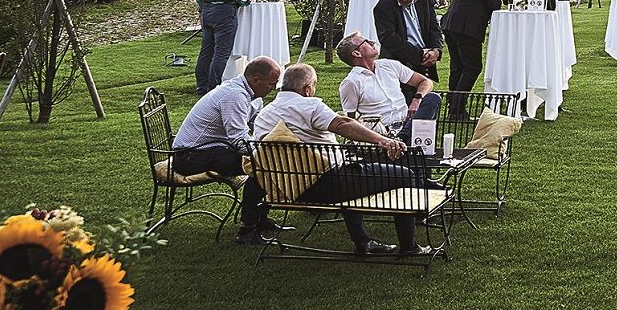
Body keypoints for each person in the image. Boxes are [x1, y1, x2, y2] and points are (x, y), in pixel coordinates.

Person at [253, 63, 421, 257]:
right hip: (327, 186)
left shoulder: (264, 113)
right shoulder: (310, 105)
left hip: (285, 187)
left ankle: (363, 242)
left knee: (353, 172)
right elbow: (343, 123)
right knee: (405, 175)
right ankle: (409, 247)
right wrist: (384, 141)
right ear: (307, 89)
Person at [171, 56, 284, 243]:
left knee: (262, 162)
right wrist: (266, 154)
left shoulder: (252, 96)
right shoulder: (235, 96)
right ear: (255, 80)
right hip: (190, 156)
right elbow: (239, 139)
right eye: (271, 84)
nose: (273, 88)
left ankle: (259, 219)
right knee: (260, 166)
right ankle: (248, 230)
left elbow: (255, 130)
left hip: (209, 149)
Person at [336, 31, 442, 136]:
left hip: (407, 124)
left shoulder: (388, 65)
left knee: (433, 98)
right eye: (366, 42)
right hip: (382, 133)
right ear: (356, 53)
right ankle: (403, 142)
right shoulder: (351, 82)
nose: (372, 42)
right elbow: (350, 121)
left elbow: (425, 81)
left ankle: (402, 140)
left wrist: (417, 98)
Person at [442, 0, 505, 117]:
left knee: (457, 67)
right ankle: (457, 108)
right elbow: (495, 3)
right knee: (472, 67)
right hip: (468, 27)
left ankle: (453, 107)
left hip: (451, 23)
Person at [373, 0, 442, 80]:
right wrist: (420, 55)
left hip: (424, 62)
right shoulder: (384, 6)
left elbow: (433, 26)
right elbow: (389, 39)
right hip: (398, 64)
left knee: (425, 95)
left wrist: (436, 50)